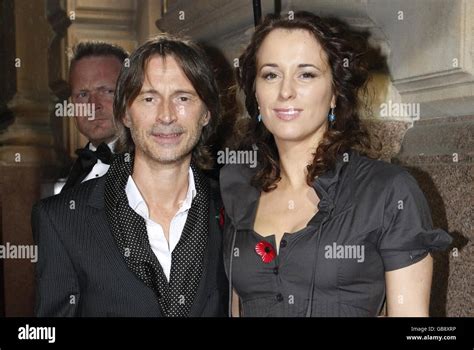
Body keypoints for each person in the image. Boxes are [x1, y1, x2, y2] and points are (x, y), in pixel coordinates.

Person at [220, 12, 452, 317]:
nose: (285, 91)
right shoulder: (238, 186)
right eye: (271, 74)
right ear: (256, 93)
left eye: (306, 74)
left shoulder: (387, 191)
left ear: (334, 94)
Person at [32, 34, 228, 317]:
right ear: (125, 113)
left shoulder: (235, 210)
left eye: (183, 97)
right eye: (149, 98)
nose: (166, 115)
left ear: (206, 112)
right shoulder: (60, 220)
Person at [61, 42, 128, 192]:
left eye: (106, 91)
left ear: (129, 94)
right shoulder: (78, 169)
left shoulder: (154, 165)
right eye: (83, 95)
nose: (93, 105)